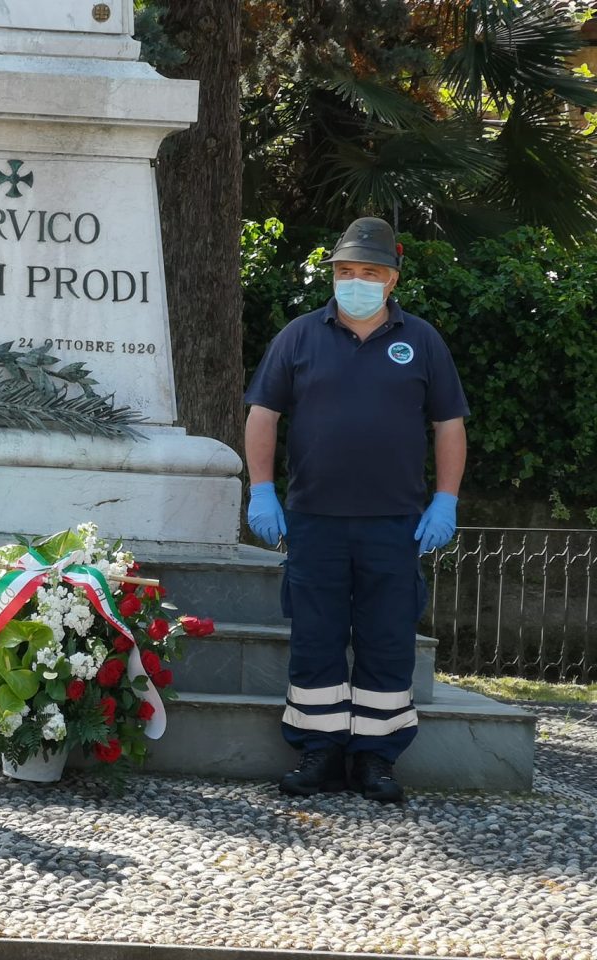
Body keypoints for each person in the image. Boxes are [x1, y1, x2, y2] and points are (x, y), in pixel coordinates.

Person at [242, 216, 468, 804]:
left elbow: (449, 424)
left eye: (369, 272)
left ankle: (376, 757)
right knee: (315, 636)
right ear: (334, 275)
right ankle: (317, 751)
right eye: (346, 271)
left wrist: (446, 499)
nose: (355, 281)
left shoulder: (421, 340)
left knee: (388, 638)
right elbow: (263, 415)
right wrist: (260, 489)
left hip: (395, 523)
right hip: (314, 520)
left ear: (391, 279)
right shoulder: (298, 336)